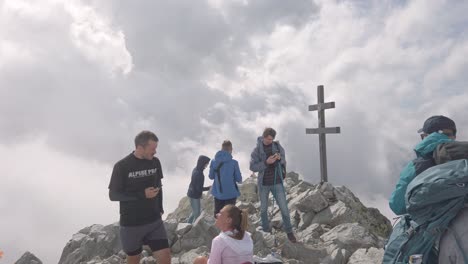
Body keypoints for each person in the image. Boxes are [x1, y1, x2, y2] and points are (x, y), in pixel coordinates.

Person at [108, 131, 170, 264]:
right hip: (131, 225)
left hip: (154, 222)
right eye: (152, 149)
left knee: (165, 257)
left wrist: (160, 208)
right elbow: (113, 195)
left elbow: (159, 186)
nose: (155, 152)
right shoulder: (121, 166)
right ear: (140, 147)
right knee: (134, 260)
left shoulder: (155, 162)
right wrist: (142, 194)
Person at [389, 115, 456, 215]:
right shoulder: (464, 155)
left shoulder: (417, 166)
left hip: (441, 227)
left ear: (425, 137)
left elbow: (397, 206)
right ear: (454, 136)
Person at [249, 127, 297, 243]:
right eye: (268, 139)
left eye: (271, 139)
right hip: (263, 184)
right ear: (263, 137)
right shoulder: (256, 150)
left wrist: (279, 159)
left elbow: (283, 160)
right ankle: (266, 231)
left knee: (284, 208)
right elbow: (252, 167)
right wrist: (266, 162)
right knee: (263, 209)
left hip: (277, 182)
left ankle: (289, 232)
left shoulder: (277, 146)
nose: (269, 141)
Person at [209, 140, 242, 217]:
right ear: (231, 149)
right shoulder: (234, 163)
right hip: (231, 194)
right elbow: (238, 178)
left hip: (218, 193)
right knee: (229, 216)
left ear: (222, 149)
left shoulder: (214, 161)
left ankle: (219, 229)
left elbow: (211, 176)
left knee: (218, 216)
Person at [187, 155, 211, 224]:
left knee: (194, 212)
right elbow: (199, 189)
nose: (207, 165)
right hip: (195, 196)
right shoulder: (199, 174)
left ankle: (187, 225)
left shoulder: (195, 169)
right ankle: (192, 229)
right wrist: (208, 188)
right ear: (202, 163)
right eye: (206, 163)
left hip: (190, 193)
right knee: (197, 214)